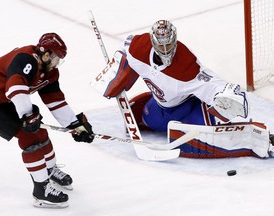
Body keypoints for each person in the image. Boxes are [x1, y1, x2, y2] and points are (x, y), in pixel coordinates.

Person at [92, 20, 274, 158]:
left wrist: (225, 92)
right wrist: (115, 73)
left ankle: (258, 140)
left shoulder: (186, 66)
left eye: (169, 45)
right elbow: (125, 49)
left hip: (188, 107)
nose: (165, 50)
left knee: (203, 136)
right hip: (160, 109)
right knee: (144, 118)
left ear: (175, 40)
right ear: (153, 42)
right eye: (160, 45)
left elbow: (209, 81)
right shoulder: (138, 48)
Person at [0, 33, 94, 208]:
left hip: (6, 99)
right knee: (28, 137)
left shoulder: (49, 72)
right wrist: (28, 115)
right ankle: (41, 190)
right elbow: (15, 86)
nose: (57, 63)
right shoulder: (26, 59)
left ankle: (49, 171)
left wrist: (75, 125)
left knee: (39, 131)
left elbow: (55, 100)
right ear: (45, 54)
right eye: (56, 58)